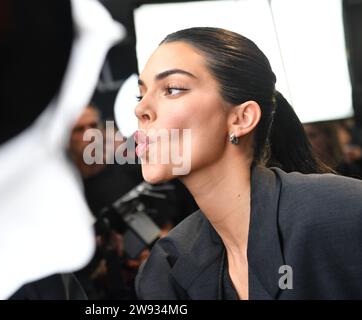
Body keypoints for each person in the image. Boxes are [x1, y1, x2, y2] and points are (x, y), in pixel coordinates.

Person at [134, 27, 362, 300]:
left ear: (241, 118)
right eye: (140, 95)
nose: (140, 109)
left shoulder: (343, 213)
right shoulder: (167, 267)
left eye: (171, 89)